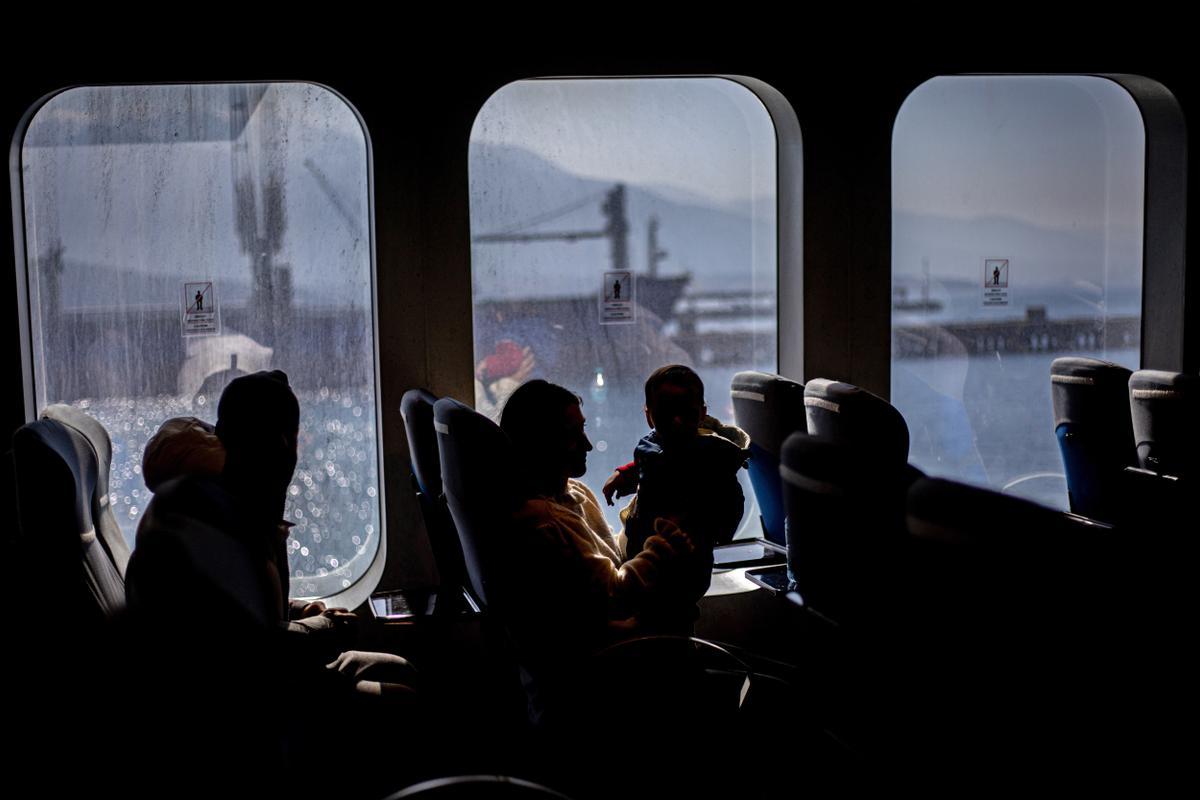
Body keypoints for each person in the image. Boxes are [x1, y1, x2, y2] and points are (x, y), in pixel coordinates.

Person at [495, 379, 700, 724]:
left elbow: (612, 560)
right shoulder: (542, 524)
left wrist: (645, 517)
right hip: (590, 678)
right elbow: (614, 595)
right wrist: (664, 546)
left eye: (584, 429)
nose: (588, 445)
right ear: (539, 444)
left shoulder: (573, 492)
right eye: (572, 436)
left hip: (613, 646)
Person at [602, 365, 749, 624]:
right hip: (642, 551)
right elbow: (646, 462)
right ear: (649, 416)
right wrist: (624, 476)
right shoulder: (652, 443)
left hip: (686, 561)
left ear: (702, 414)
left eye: (687, 413)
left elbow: (732, 505)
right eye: (665, 414)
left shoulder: (713, 459)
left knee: (672, 621)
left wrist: (701, 527)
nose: (677, 421)